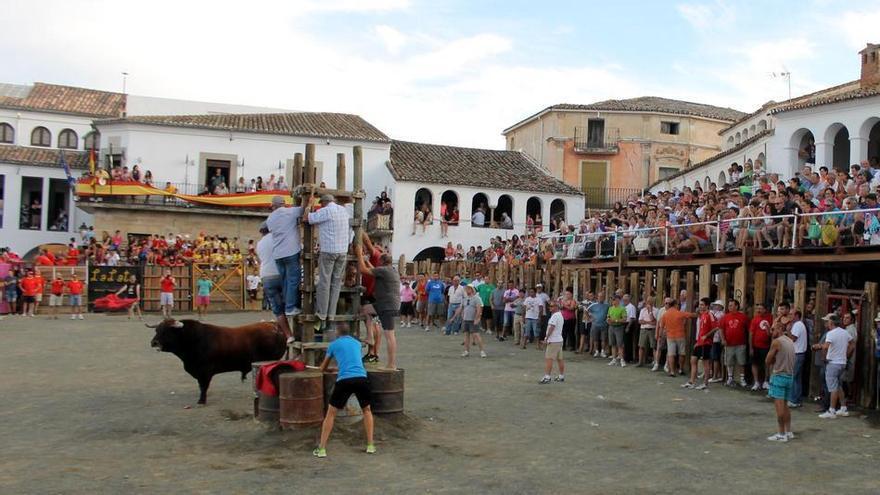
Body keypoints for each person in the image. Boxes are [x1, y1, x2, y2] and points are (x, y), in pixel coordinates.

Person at [314, 325, 376, 458]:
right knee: (367, 410)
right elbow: (352, 360)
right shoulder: (357, 343)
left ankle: (322, 448)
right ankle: (370, 445)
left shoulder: (333, 345)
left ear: (337, 332)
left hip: (344, 380)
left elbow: (322, 368)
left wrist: (326, 369)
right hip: (361, 378)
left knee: (331, 413)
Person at [306, 193, 351, 331]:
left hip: (328, 250)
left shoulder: (325, 211)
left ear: (324, 202)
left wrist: (309, 205)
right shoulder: (344, 211)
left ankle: (322, 314)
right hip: (342, 251)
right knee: (336, 283)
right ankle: (331, 315)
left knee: (324, 282)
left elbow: (307, 219)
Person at [355, 244, 400, 370]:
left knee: (390, 336)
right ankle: (370, 337)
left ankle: (391, 364)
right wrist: (367, 260)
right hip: (384, 304)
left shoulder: (384, 270)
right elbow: (374, 271)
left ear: (382, 262)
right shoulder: (390, 270)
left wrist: (359, 254)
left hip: (387, 306)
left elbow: (364, 271)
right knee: (365, 310)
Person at [266, 195, 303, 317]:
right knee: (293, 280)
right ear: (283, 203)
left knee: (285, 281)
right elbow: (304, 209)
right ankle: (290, 307)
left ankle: (288, 305)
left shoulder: (270, 219)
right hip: (291, 251)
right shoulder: (289, 212)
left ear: (273, 206)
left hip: (278, 254)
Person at [814, 313, 855, 418]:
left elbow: (826, 346)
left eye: (828, 322)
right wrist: (846, 354)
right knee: (838, 385)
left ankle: (831, 410)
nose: (826, 323)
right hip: (842, 362)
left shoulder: (831, 334)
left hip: (833, 362)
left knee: (832, 387)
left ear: (831, 323)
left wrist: (818, 346)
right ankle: (843, 408)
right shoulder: (844, 332)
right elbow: (852, 343)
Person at [256, 222, 292, 342]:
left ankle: (288, 335)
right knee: (291, 302)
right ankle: (296, 325)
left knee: (277, 309)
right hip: (280, 273)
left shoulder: (259, 244)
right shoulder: (278, 237)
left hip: (266, 275)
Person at [765, 319, 796, 442]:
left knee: (779, 407)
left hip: (779, 375)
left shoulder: (777, 342)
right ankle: (788, 431)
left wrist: (773, 361)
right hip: (789, 375)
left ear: (779, 329)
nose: (771, 332)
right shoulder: (790, 341)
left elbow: (767, 360)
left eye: (773, 329)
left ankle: (781, 433)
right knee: (786, 406)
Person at [657, 297, 697, 377]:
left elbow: (661, 327)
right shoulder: (679, 313)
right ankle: (681, 369)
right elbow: (691, 315)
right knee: (681, 353)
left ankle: (672, 371)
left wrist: (660, 336)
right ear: (675, 305)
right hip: (680, 335)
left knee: (671, 354)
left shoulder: (665, 314)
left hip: (670, 336)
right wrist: (698, 313)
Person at [684, 298, 716, 389]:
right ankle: (691, 381)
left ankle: (705, 383)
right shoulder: (702, 315)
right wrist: (698, 341)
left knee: (705, 363)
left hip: (706, 342)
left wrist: (707, 336)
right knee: (693, 360)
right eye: (700, 305)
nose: (700, 306)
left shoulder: (710, 314)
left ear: (707, 306)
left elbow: (716, 327)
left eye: (702, 305)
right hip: (699, 342)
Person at [719, 299, 749, 387]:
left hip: (741, 343)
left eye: (731, 305)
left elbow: (748, 329)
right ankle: (730, 378)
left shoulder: (743, 317)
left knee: (741, 362)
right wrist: (723, 339)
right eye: (729, 305)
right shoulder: (725, 317)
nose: (729, 307)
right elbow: (721, 329)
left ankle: (742, 379)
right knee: (729, 362)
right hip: (729, 343)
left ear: (736, 306)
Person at [455, 285, 487, 358]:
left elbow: (479, 309)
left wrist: (477, 318)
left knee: (476, 335)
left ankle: (482, 351)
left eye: (468, 289)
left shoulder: (477, 298)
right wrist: (461, 315)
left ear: (472, 289)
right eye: (466, 289)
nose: (466, 290)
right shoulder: (465, 299)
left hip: (473, 320)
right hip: (466, 319)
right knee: (466, 335)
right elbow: (462, 308)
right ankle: (466, 351)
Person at [749, 303, 774, 391]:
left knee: (767, 364)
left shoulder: (770, 318)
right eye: (757, 309)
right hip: (756, 346)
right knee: (755, 363)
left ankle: (766, 381)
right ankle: (756, 382)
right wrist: (751, 347)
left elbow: (771, 332)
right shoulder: (754, 319)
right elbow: (751, 334)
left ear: (765, 310)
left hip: (766, 346)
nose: (758, 310)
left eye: (761, 309)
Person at [539, 301, 565, 384]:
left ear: (557, 307)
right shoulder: (560, 315)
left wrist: (546, 338)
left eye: (552, 306)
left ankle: (547, 376)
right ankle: (561, 376)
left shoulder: (554, 316)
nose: (550, 307)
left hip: (553, 340)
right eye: (549, 306)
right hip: (559, 339)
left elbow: (552, 327)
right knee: (560, 359)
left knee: (549, 359)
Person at [788, 310, 808, 408]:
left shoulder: (797, 325)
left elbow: (793, 338)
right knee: (797, 378)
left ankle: (793, 399)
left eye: (791, 314)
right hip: (800, 353)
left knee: (793, 377)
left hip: (797, 353)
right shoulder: (800, 325)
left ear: (796, 315)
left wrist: (787, 331)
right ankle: (798, 399)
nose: (789, 316)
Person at [606, 295, 628, 367]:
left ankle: (622, 360)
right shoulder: (610, 308)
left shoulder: (622, 308)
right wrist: (608, 320)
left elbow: (625, 319)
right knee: (613, 344)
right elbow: (608, 317)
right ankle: (614, 359)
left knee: (620, 344)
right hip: (611, 327)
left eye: (614, 300)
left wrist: (615, 320)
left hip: (619, 327)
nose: (613, 301)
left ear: (618, 300)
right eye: (612, 300)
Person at [587, 292, 610, 358]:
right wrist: (590, 318)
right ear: (597, 297)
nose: (601, 298)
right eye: (599, 296)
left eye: (602, 296)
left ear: (604, 297)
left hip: (604, 325)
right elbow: (586, 310)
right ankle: (596, 351)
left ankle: (603, 351)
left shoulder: (607, 305)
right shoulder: (593, 304)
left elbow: (610, 313)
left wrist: (608, 319)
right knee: (595, 339)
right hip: (595, 325)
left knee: (603, 339)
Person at [638, 298, 658, 368]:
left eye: (650, 301)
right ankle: (640, 362)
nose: (648, 302)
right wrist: (649, 322)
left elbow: (655, 321)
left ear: (653, 302)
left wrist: (650, 311)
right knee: (641, 346)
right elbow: (640, 321)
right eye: (647, 301)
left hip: (652, 330)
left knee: (654, 347)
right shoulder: (642, 310)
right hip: (643, 330)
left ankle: (656, 363)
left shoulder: (656, 310)